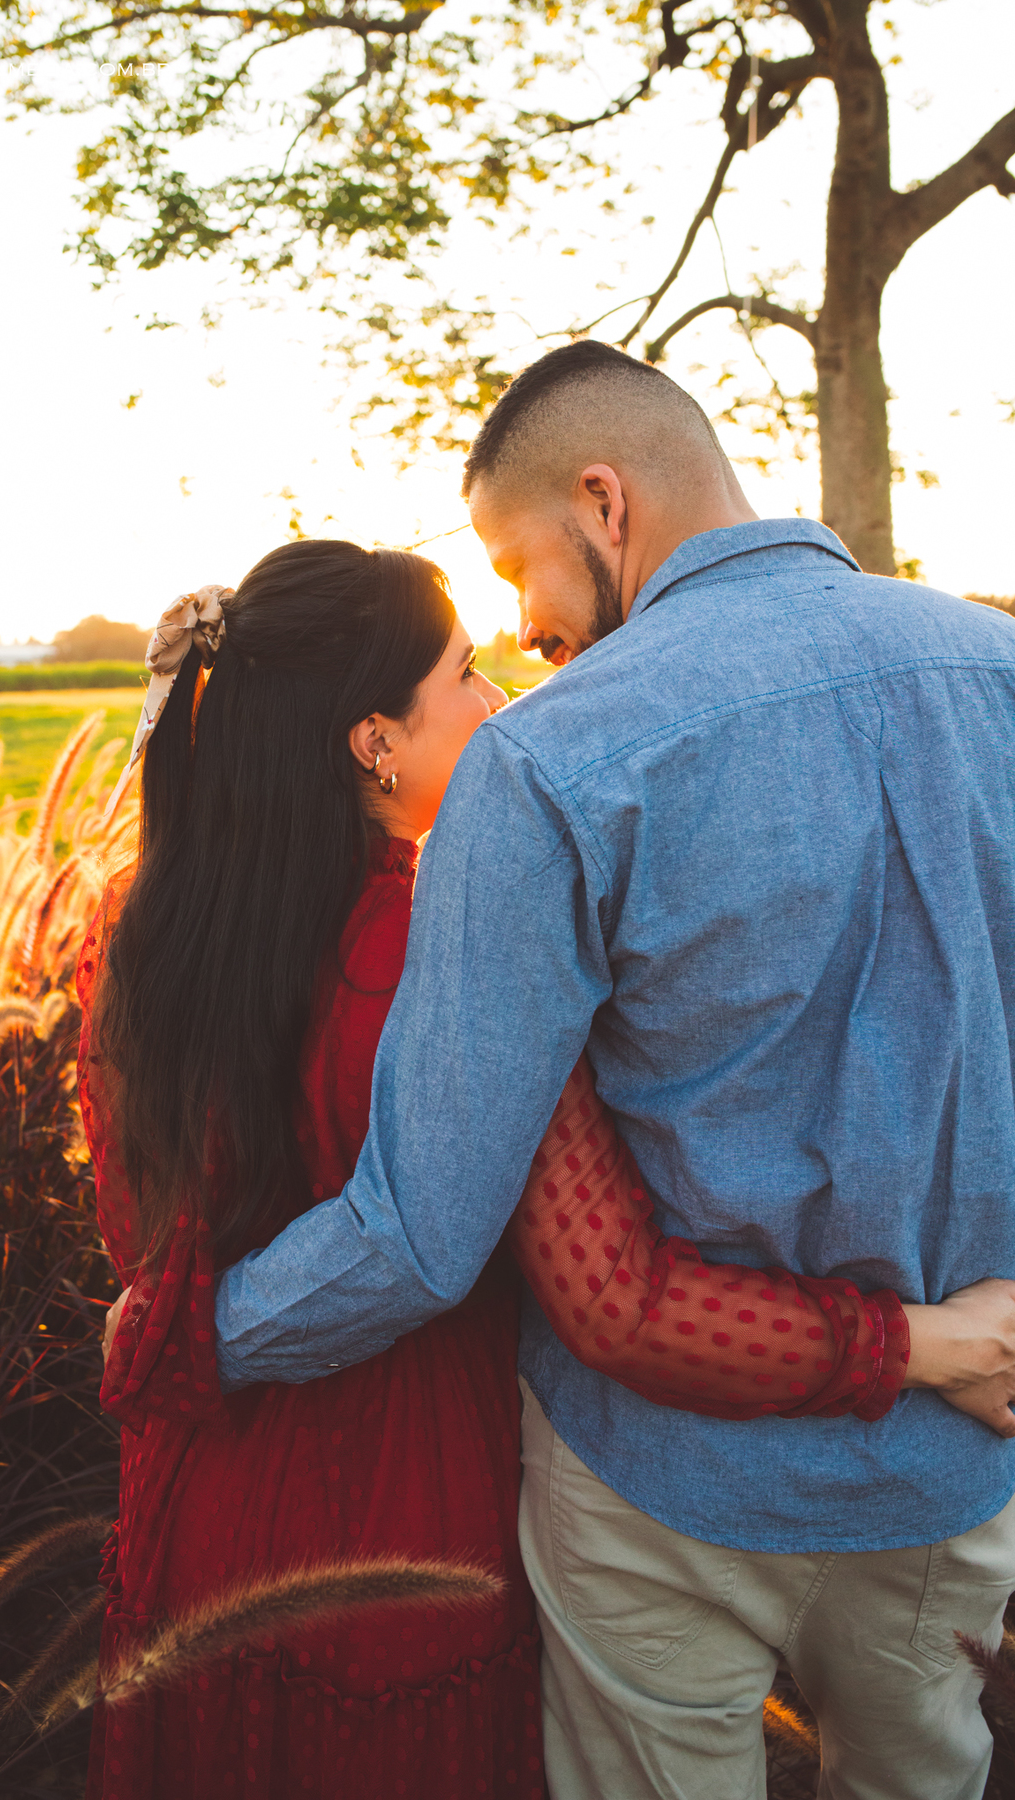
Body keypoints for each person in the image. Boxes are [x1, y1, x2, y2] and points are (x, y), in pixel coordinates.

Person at [209, 343, 1015, 1800]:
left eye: (521, 571)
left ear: (603, 501)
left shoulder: (550, 765)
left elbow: (420, 1223)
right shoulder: (1001, 672)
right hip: (946, 1475)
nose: (524, 633)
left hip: (657, 1499)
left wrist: (201, 1332)